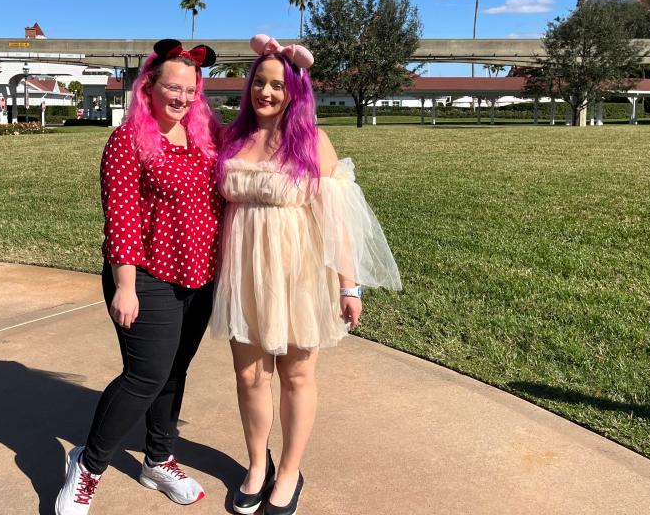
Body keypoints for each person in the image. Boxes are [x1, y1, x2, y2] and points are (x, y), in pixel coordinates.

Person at [211, 35, 402, 515]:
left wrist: (348, 283)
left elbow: (337, 219)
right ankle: (258, 464)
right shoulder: (233, 137)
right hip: (243, 273)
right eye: (260, 82)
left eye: (277, 85)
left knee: (296, 375)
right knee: (250, 374)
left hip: (298, 272)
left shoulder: (312, 141)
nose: (267, 93)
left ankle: (290, 471)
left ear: (294, 91)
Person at [55, 39, 222, 515]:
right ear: (148, 87)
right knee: (144, 375)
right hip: (145, 275)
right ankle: (87, 465)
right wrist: (125, 286)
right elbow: (122, 217)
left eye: (190, 90)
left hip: (198, 276)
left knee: (173, 372)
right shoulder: (128, 139)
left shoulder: (205, 135)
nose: (183, 98)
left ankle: (158, 458)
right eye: (173, 87)